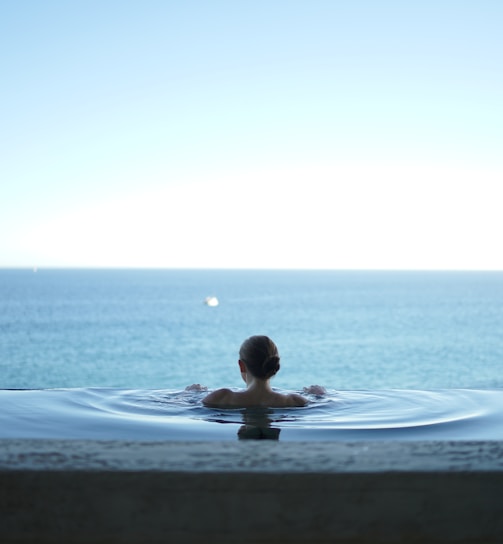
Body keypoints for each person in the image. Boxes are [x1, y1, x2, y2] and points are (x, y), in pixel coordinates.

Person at [202, 335, 308, 408]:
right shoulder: (293, 401)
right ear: (275, 366)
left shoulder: (222, 398)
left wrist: (190, 392)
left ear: (241, 366)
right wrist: (319, 394)